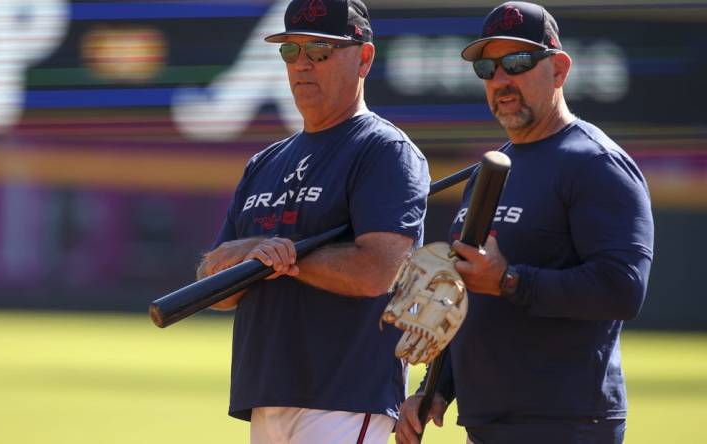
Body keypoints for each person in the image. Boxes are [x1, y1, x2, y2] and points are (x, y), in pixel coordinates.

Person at [395, 2, 654, 444]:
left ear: (559, 69)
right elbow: (474, 297)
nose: (501, 80)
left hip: (566, 423)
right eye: (488, 69)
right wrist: (436, 389)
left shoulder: (597, 164)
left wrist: (510, 280)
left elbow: (623, 288)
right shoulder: (489, 171)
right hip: (487, 424)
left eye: (516, 62)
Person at [195, 1, 430, 443]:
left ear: (364, 57)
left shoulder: (384, 151)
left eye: (319, 51)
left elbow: (378, 270)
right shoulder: (264, 162)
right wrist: (240, 259)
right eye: (291, 51)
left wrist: (277, 259)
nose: (302, 65)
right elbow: (217, 291)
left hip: (345, 395)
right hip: (266, 393)